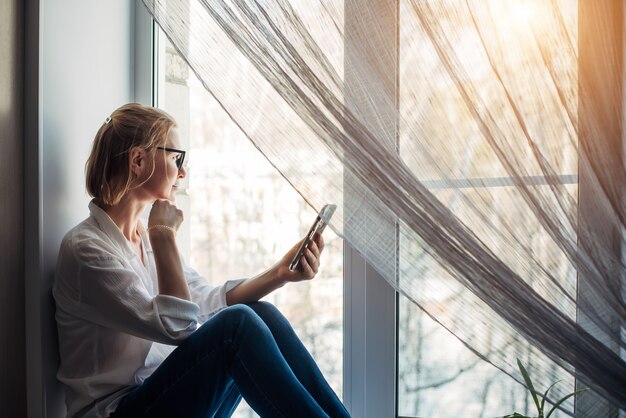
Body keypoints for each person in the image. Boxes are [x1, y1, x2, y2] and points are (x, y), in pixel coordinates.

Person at [53, 103, 350, 418]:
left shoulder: (142, 237)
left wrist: (278, 273)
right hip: (117, 411)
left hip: (163, 397)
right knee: (237, 325)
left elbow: (207, 301)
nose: (182, 172)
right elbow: (179, 327)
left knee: (259, 313)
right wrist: (164, 235)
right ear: (138, 160)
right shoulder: (87, 249)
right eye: (175, 157)